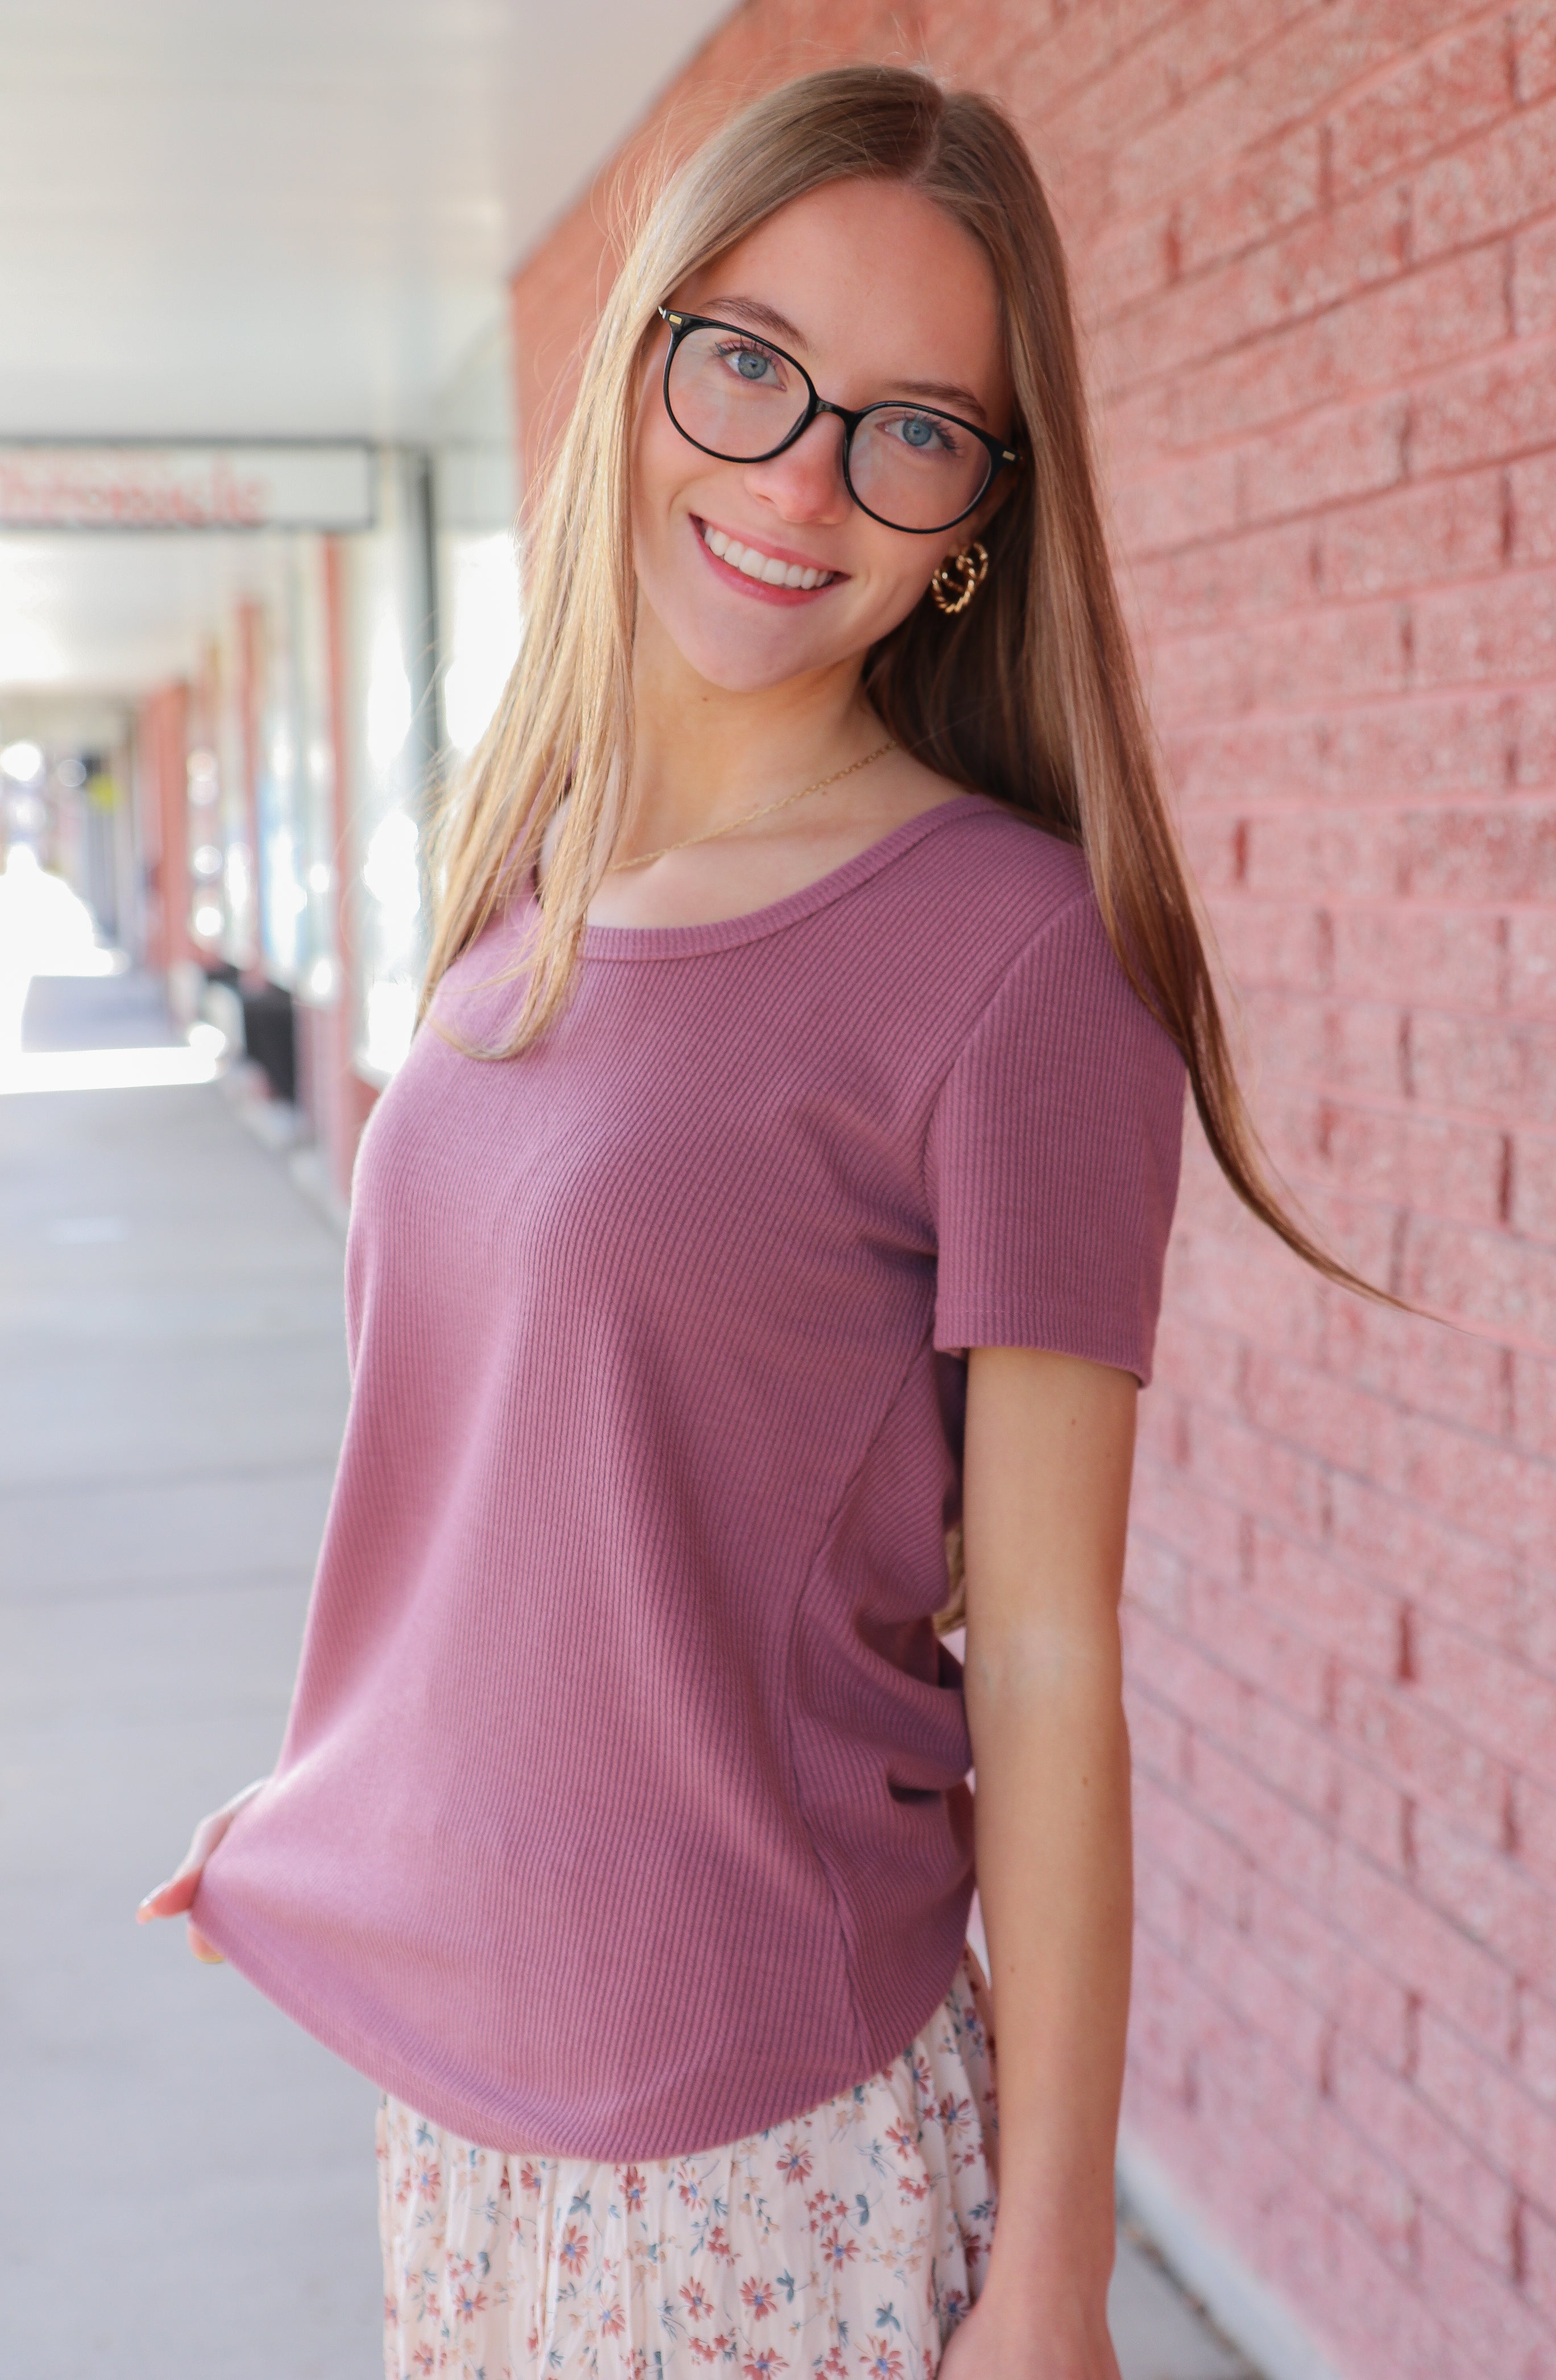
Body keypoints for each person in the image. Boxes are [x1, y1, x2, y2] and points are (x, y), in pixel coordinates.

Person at [139, 66, 1377, 2380]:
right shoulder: (529, 882)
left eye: (908, 430)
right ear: (642, 366)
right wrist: (377, 1815)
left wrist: (1053, 2279)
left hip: (753, 2161)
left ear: (977, 517)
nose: (800, 479)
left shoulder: (1018, 960)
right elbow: (517, 1470)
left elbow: (1044, 1662)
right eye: (749, 365)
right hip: (467, 2128)